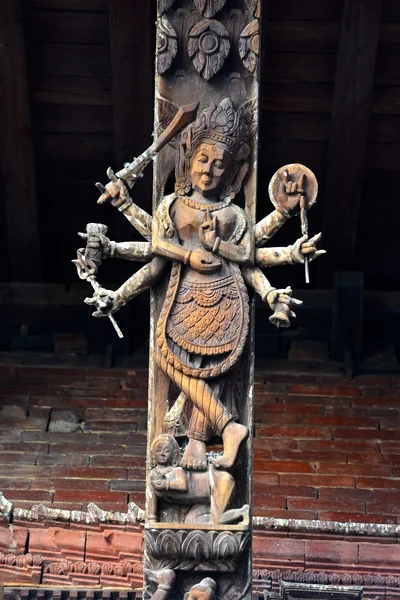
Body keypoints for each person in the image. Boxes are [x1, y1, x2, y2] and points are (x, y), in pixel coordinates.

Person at [83, 98, 324, 475]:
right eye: (202, 159)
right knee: (171, 359)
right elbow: (154, 257)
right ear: (188, 159)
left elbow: (248, 258)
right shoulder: (171, 207)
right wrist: (119, 293)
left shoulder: (233, 215)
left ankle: (201, 439)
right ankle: (229, 427)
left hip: (226, 298)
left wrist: (269, 288)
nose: (209, 170)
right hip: (182, 299)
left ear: (232, 172)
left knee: (213, 369)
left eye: (219, 164)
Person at [148, 434, 249, 525]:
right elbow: (151, 502)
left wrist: (166, 484)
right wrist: (152, 521)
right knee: (191, 521)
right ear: (153, 454)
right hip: (203, 499)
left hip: (218, 481)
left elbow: (183, 485)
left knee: (218, 519)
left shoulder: (177, 471)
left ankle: (242, 512)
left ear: (174, 455)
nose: (162, 454)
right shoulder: (152, 476)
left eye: (166, 451)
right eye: (158, 451)